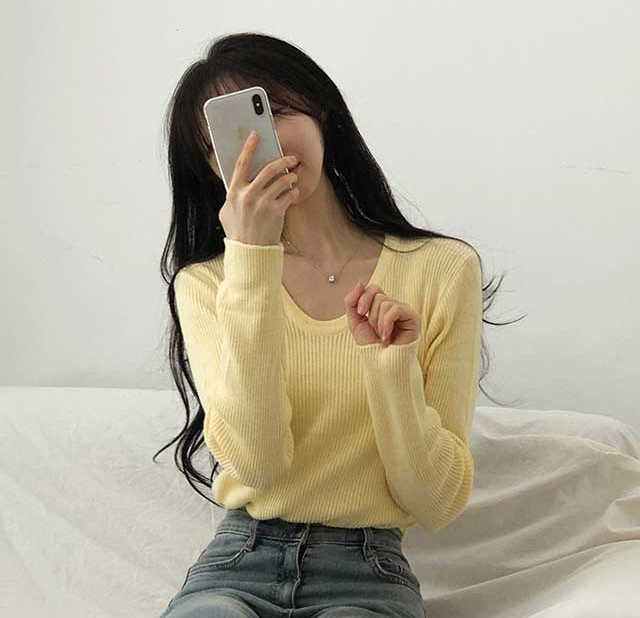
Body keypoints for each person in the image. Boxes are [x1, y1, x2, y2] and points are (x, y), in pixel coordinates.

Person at [154, 31, 509, 618]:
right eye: (225, 142)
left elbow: (436, 501)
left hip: (368, 570)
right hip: (238, 559)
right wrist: (251, 258)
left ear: (324, 116)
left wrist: (391, 368)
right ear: (210, 171)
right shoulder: (209, 285)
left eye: (274, 112)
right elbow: (258, 463)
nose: (257, 147)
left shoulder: (443, 269)